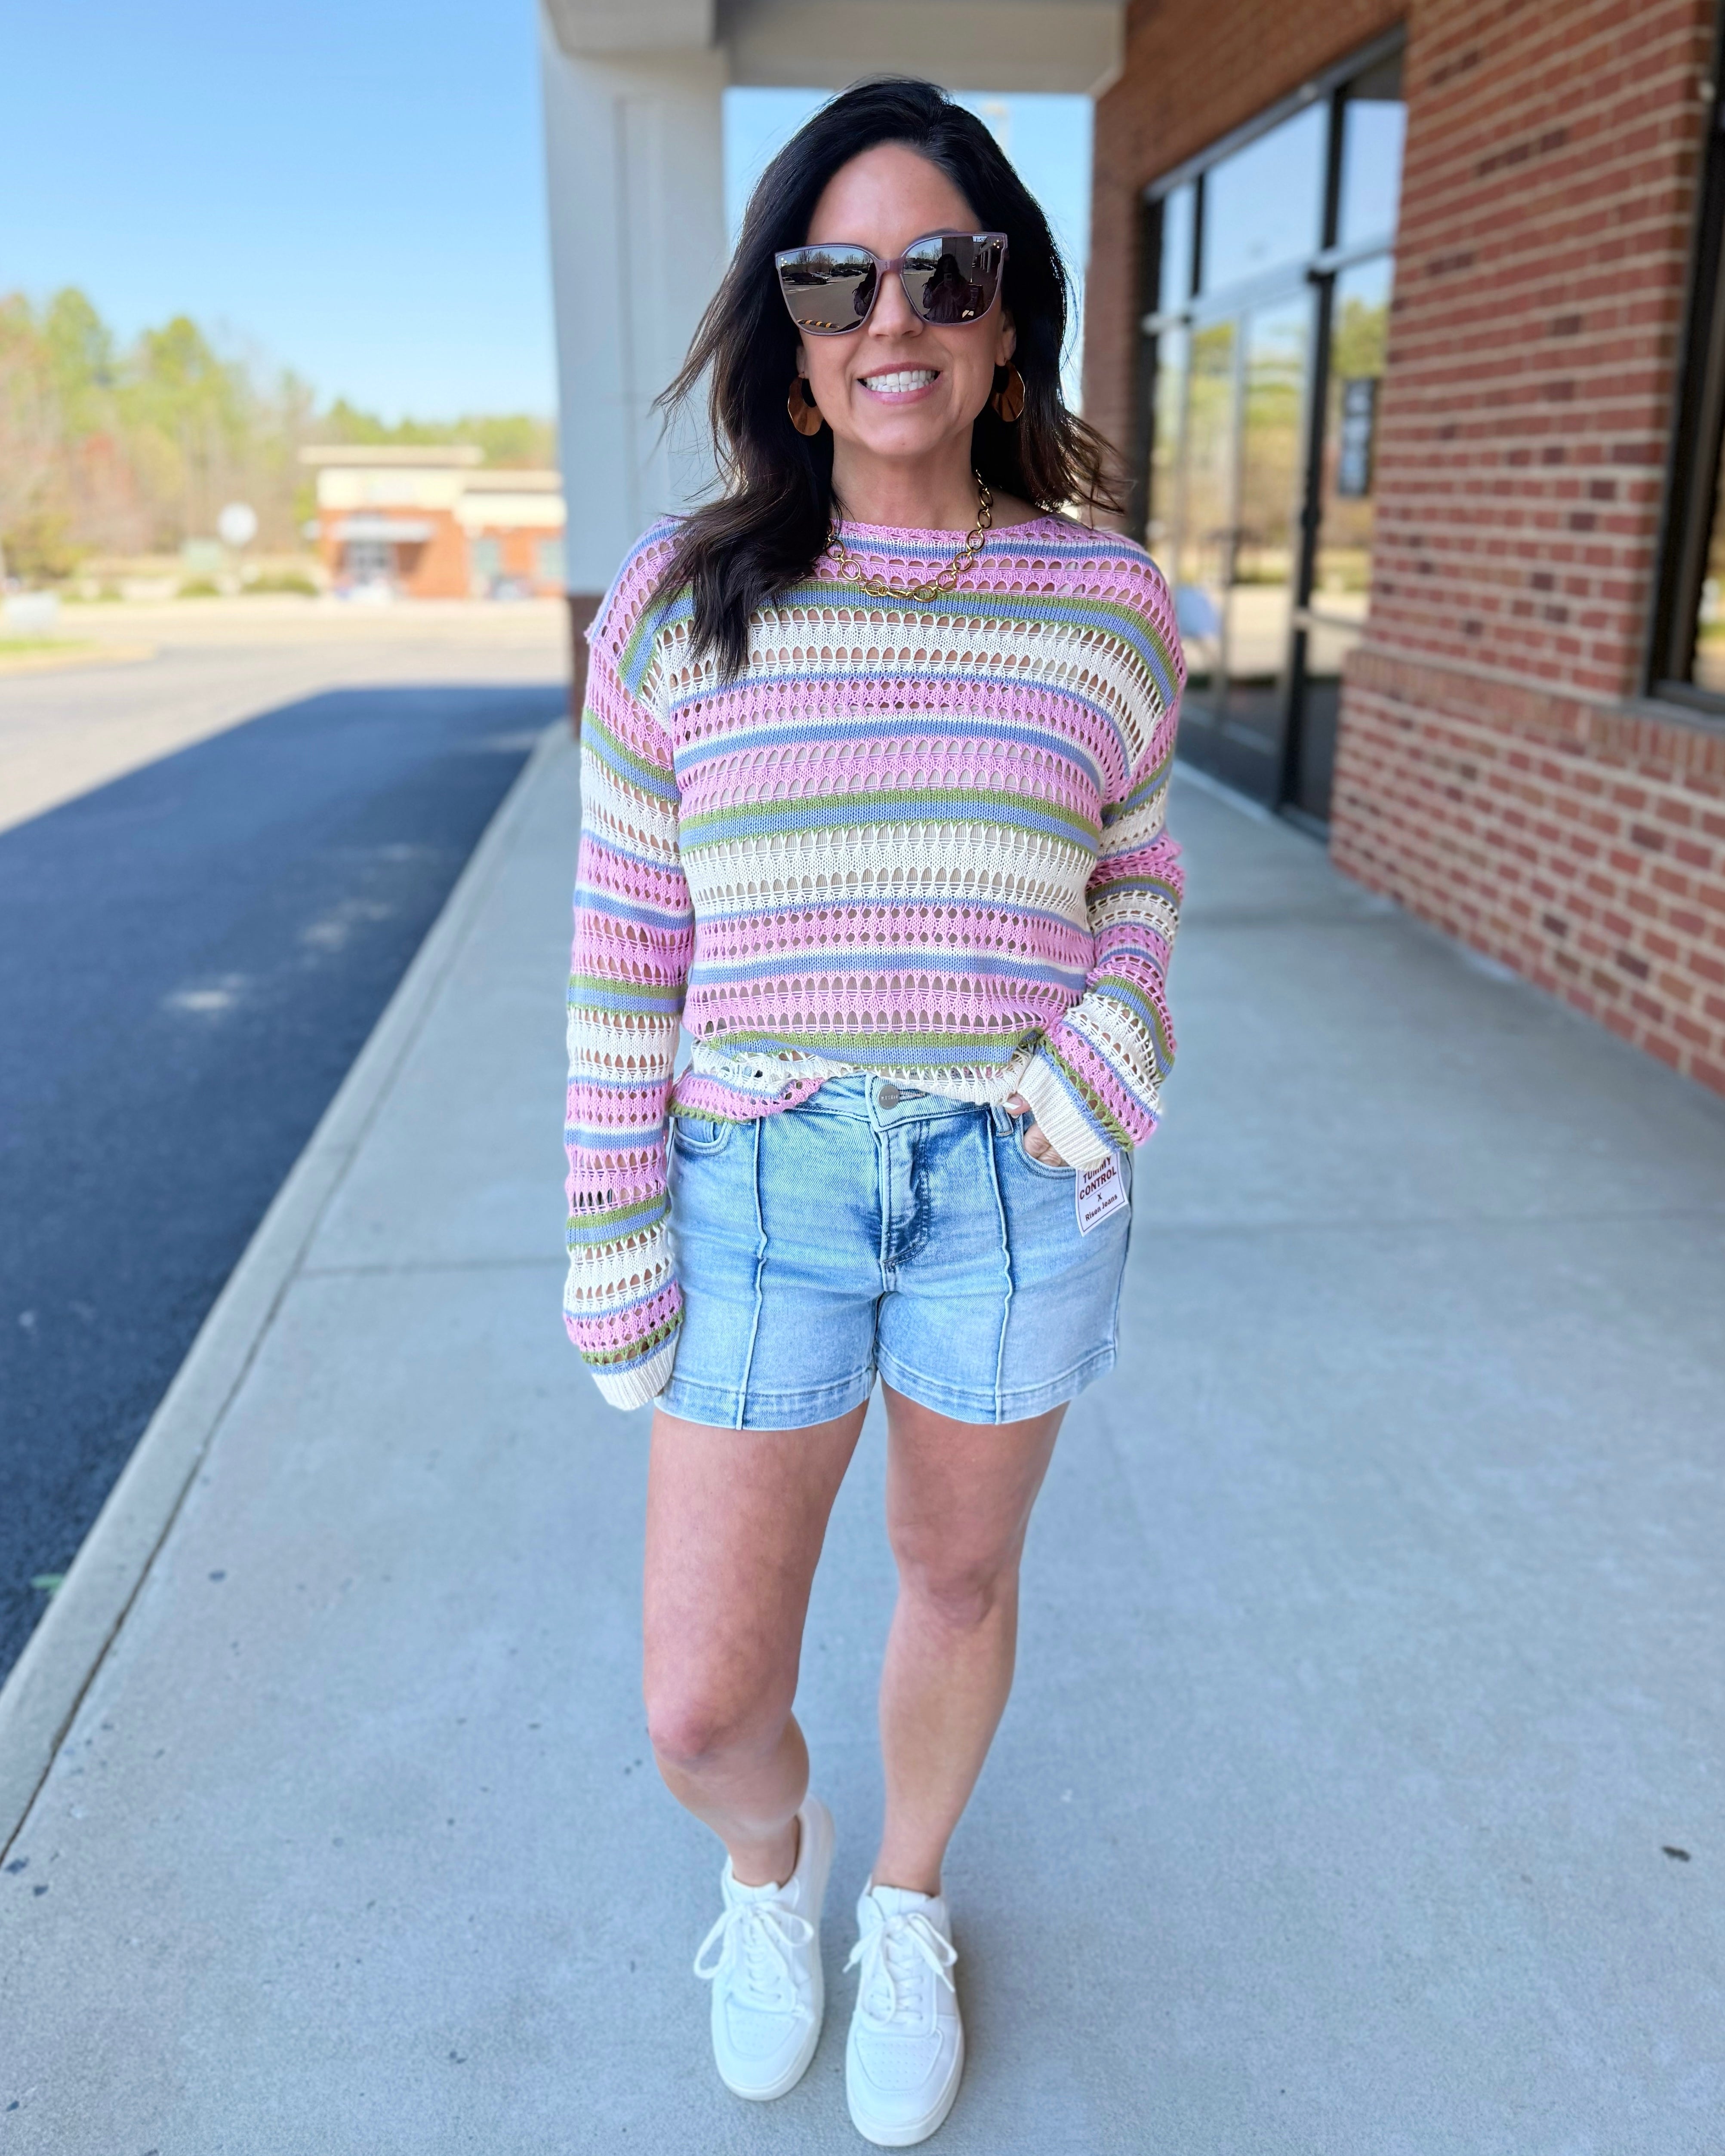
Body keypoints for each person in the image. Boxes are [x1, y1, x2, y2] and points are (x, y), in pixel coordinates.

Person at [563, 77, 1184, 2147]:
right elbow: (620, 947)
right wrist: (612, 1232)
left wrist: (1104, 1072)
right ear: (789, 328)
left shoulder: (1108, 605)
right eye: (837, 273)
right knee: (701, 1703)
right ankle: (777, 1867)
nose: (889, 311)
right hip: (753, 1178)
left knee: (956, 1583)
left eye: (946, 268)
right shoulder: (680, 601)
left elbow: (1140, 882)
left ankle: (901, 1900)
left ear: (1010, 319)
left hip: (1017, 1179)